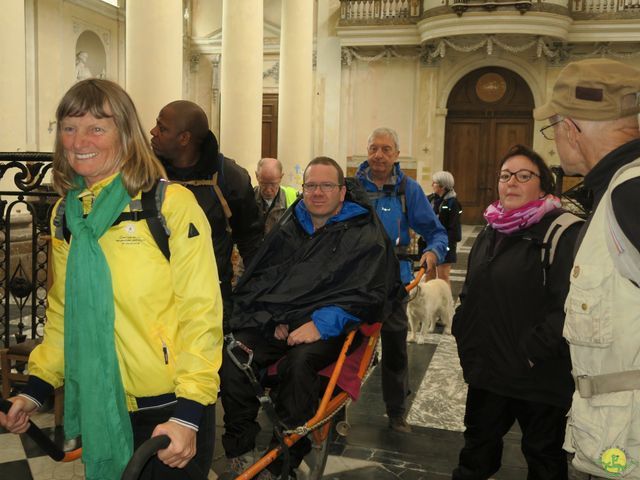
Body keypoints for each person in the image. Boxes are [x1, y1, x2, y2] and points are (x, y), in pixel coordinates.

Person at [0, 80, 222, 479]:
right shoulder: (69, 216)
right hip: (102, 403)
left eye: (96, 127)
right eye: (69, 127)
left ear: (126, 135)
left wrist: (189, 414)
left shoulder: (170, 206)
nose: (79, 140)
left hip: (169, 410)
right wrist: (36, 388)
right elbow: (64, 312)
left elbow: (201, 315)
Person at [221, 156, 402, 479]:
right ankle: (240, 448)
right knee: (234, 352)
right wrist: (270, 317)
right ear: (303, 189)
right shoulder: (292, 223)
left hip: (334, 326)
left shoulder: (364, 233)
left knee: (299, 363)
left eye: (326, 186)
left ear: (342, 192)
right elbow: (266, 279)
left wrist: (320, 324)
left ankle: (284, 459)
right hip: (281, 321)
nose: (318, 193)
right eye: (311, 186)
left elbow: (367, 293)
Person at [534, 58, 640, 479]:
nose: (554, 142)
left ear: (570, 128)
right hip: (612, 441)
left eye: (553, 129)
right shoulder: (617, 188)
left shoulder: (630, 193)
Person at [451, 144, 581, 480]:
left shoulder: (561, 232)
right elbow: (471, 289)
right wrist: (463, 330)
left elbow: (568, 304)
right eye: (506, 175)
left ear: (543, 185)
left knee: (543, 459)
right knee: (475, 453)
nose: (512, 182)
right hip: (489, 370)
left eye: (524, 176)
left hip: (537, 374)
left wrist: (530, 354)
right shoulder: (492, 228)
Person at [355, 127, 448, 432]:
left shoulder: (409, 190)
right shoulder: (353, 188)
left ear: (396, 154)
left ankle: (396, 410)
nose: (378, 155)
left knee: (395, 347)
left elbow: (437, 232)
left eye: (385, 149)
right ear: (366, 152)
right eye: (373, 149)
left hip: (396, 281)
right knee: (344, 346)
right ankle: (334, 411)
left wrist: (433, 252)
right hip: (355, 281)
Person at [150, 101, 263, 330]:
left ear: (184, 139)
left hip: (209, 301)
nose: (152, 132)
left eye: (162, 128)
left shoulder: (229, 178)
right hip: (153, 299)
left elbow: (253, 244)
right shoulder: (144, 175)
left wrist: (251, 302)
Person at [424, 170, 462, 284]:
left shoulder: (452, 203)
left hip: (446, 243)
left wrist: (444, 242)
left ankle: (445, 301)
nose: (432, 185)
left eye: (434, 183)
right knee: (429, 273)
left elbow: (454, 228)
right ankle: (430, 301)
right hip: (429, 242)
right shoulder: (430, 199)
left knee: (443, 276)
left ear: (442, 186)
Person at [254, 157, 297, 234]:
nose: (268, 190)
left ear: (281, 177)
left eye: (273, 184)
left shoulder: (293, 197)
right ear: (257, 176)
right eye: (263, 184)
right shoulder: (248, 197)